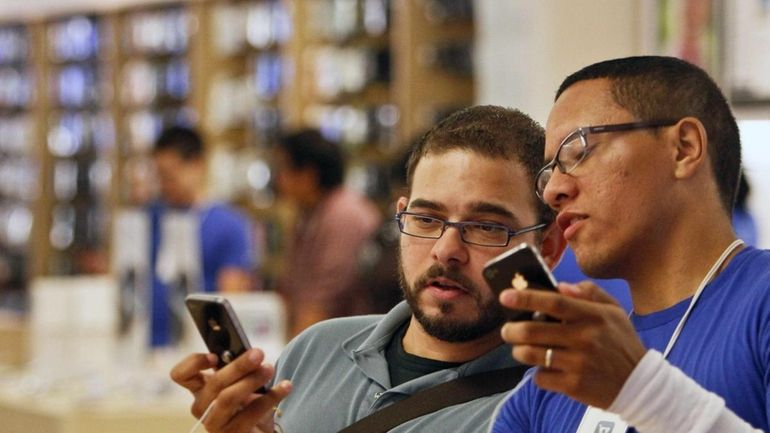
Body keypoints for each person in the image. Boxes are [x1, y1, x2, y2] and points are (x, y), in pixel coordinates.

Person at [169, 105, 567, 433]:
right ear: (401, 216)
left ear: (546, 246)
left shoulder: (552, 406)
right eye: (426, 219)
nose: (447, 251)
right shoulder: (315, 350)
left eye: (486, 228)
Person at [490, 56, 769, 433]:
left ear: (683, 148)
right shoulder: (557, 379)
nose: (554, 190)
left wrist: (641, 390)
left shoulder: (760, 304)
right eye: (549, 171)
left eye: (579, 150)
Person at [149, 126, 254, 347]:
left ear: (196, 164)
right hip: (148, 344)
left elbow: (231, 298)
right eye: (158, 175)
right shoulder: (150, 218)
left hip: (201, 345)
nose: (164, 184)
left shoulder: (230, 224)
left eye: (169, 174)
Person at [272, 129, 382, 336]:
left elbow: (322, 302)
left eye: (282, 168)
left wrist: (289, 361)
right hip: (325, 340)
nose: (278, 179)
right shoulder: (309, 213)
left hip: (348, 345)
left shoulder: (344, 214)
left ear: (308, 174)